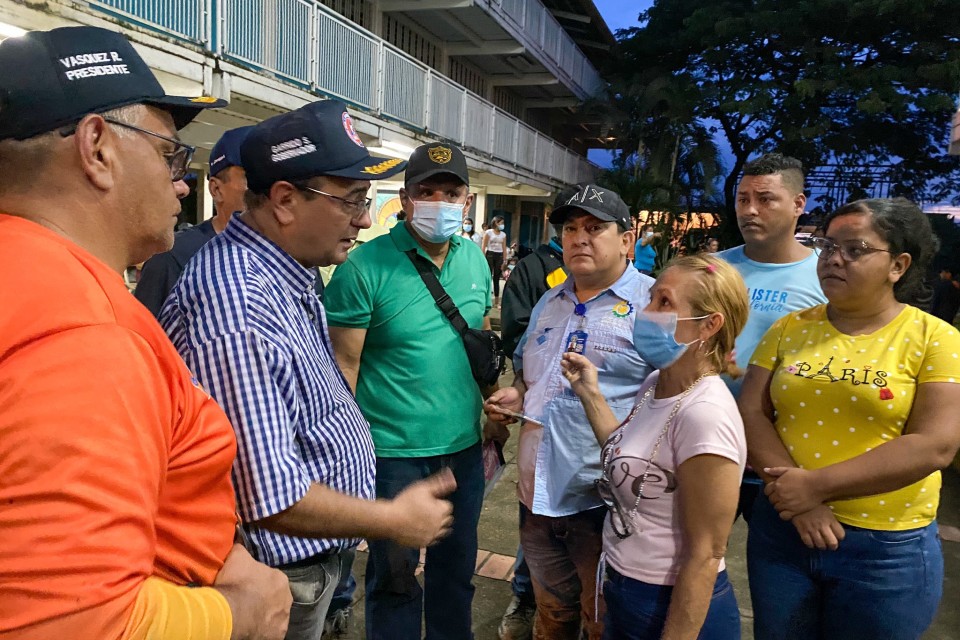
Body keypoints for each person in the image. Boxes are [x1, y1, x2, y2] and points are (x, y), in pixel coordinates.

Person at [0, 26, 291, 640]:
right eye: (168, 154)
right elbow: (73, 624)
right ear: (97, 148)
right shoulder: (81, 335)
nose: (180, 182)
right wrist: (243, 611)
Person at [160, 100, 456, 640]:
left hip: (306, 566)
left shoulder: (286, 274)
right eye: (352, 201)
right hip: (280, 577)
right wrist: (392, 519)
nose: (365, 219)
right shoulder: (240, 307)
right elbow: (269, 496)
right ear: (284, 200)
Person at [740, 197, 960, 640]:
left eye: (854, 249)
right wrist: (800, 503)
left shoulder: (935, 338)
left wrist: (814, 488)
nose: (833, 259)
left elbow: (935, 443)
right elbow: (750, 413)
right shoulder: (789, 329)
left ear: (897, 265)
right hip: (783, 534)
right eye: (827, 246)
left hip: (884, 550)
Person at [325, 142, 492, 640]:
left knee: (455, 576)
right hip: (391, 456)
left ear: (466, 200)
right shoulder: (363, 269)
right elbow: (342, 369)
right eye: (428, 190)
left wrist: (491, 407)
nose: (440, 200)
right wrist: (345, 459)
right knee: (394, 582)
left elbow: (475, 344)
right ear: (405, 197)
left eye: (451, 191)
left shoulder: (476, 262)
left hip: (462, 452)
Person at [485, 183, 655, 640]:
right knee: (552, 613)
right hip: (537, 495)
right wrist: (517, 394)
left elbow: (676, 403)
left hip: (603, 501)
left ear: (627, 239)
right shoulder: (550, 300)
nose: (579, 237)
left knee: (603, 620)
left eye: (595, 228)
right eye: (570, 227)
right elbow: (529, 375)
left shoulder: (654, 306)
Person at [561, 254, 749, 640]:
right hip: (624, 589)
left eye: (664, 302)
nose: (646, 312)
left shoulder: (706, 415)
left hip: (669, 604)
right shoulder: (657, 384)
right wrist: (591, 395)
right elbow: (630, 457)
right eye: (650, 300)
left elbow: (706, 553)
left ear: (709, 325)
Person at [716, 152, 826, 522]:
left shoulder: (825, 278)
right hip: (711, 439)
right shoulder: (714, 269)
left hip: (782, 454)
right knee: (693, 555)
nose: (749, 210)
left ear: (798, 205)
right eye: (743, 199)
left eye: (765, 199)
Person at [135, 125, 252, 316]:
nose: (267, 187)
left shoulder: (293, 258)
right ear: (216, 189)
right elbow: (143, 336)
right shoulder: (173, 258)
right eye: (251, 177)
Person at [483, 214, 508, 306]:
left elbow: (504, 248)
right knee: (488, 276)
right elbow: (484, 245)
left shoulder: (503, 234)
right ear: (496, 223)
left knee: (496, 277)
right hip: (490, 254)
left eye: (503, 223)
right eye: (501, 223)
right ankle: (486, 299)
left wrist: (505, 261)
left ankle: (497, 301)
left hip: (499, 255)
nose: (502, 225)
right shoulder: (489, 232)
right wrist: (483, 257)